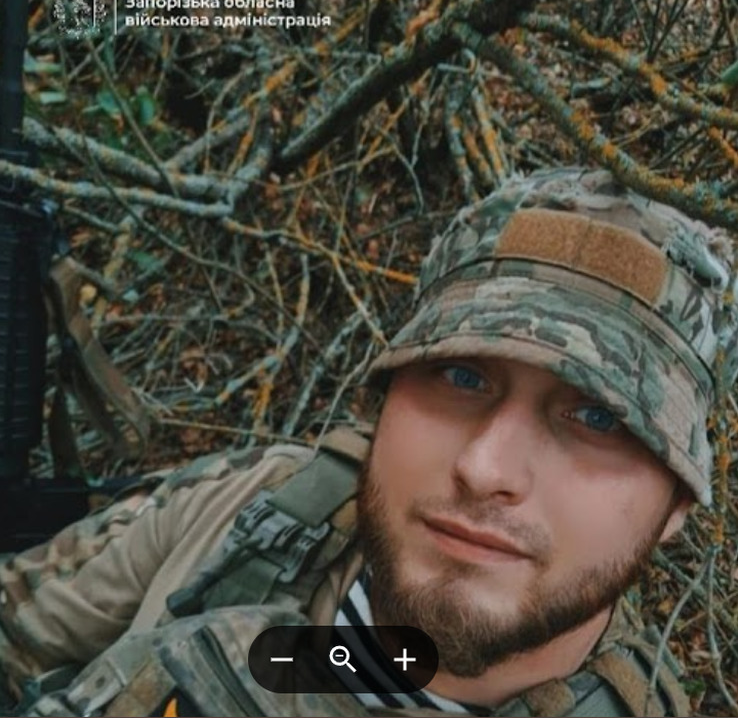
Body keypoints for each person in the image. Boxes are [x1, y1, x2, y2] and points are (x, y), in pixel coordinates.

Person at [1, 168, 736, 717]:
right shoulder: (261, 511)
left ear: (675, 505)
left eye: (599, 419)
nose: (485, 468)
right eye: (462, 375)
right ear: (381, 399)